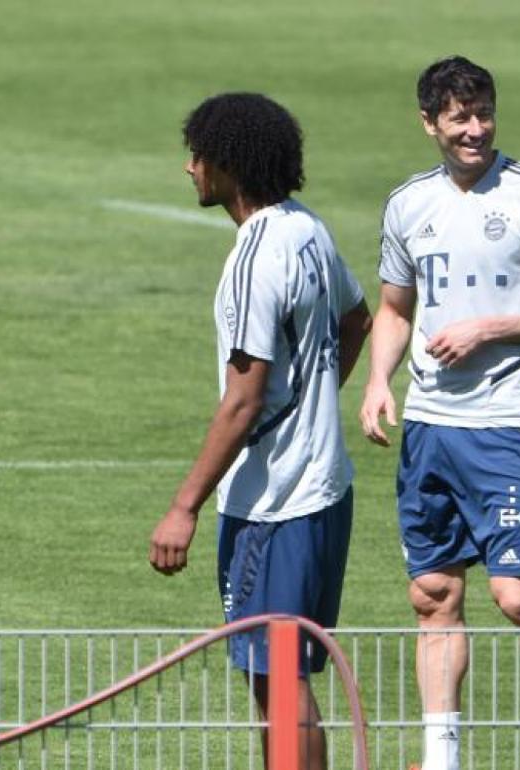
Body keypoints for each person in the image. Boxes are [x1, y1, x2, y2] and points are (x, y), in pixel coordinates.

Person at [359, 56, 520, 770]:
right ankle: (441, 759)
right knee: (433, 593)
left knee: (515, 596)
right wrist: (378, 380)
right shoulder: (408, 203)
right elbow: (394, 309)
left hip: (504, 426)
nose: (474, 130)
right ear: (429, 123)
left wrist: (486, 328)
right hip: (430, 428)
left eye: (483, 114)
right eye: (459, 118)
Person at [149, 92, 371, 770]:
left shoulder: (253, 258)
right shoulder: (309, 229)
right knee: (287, 676)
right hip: (326, 491)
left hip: (274, 506)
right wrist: (312, 406)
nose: (190, 169)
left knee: (276, 682)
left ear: (228, 169)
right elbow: (355, 319)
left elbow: (242, 403)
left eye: (199, 157)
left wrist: (183, 506)